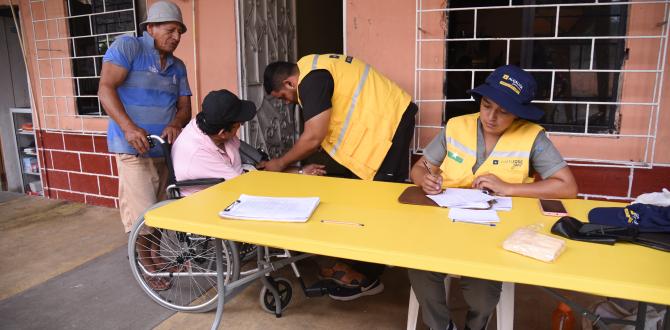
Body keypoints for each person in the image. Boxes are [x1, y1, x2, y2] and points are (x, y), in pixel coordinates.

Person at [408, 65, 578, 330]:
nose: (491, 117)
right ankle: (440, 326)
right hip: (444, 221)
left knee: (482, 291)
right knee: (419, 266)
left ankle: (475, 326)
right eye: (487, 106)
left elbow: (567, 187)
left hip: (496, 228)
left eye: (504, 111)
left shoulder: (532, 136)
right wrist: (424, 180)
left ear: (519, 112)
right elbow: (419, 168)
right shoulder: (456, 126)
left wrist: (509, 188)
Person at [262, 54, 418, 300]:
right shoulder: (316, 67)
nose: (288, 103)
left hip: (391, 123)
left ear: (290, 83)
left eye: (283, 97)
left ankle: (367, 277)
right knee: (366, 194)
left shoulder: (311, 79)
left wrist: (280, 163)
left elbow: (313, 136)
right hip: (386, 121)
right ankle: (363, 262)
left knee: (381, 199)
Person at [98, 0, 191, 291]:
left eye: (179, 31)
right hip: (132, 149)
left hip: (164, 149)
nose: (175, 37)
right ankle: (145, 264)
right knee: (143, 212)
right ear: (150, 28)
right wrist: (129, 128)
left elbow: (185, 107)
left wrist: (176, 123)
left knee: (160, 210)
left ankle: (156, 255)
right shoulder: (128, 48)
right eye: (169, 29)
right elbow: (105, 88)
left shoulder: (178, 66)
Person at [171, 89, 326, 196]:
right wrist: (296, 176)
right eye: (239, 125)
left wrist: (299, 171)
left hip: (233, 183)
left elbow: (256, 168)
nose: (241, 127)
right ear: (223, 133)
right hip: (209, 200)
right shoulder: (198, 154)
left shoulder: (211, 124)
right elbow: (243, 186)